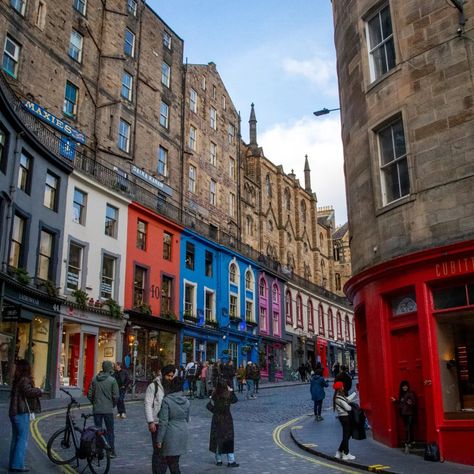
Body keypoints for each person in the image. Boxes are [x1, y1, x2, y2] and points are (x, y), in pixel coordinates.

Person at [9, 359, 42, 472]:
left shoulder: (17, 379)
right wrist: (39, 391)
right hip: (21, 412)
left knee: (15, 439)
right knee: (22, 439)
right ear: (27, 368)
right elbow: (28, 392)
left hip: (14, 413)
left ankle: (13, 463)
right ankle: (18, 465)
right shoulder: (25, 380)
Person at [155, 375, 190, 474]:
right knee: (175, 461)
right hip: (183, 432)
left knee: (170, 463)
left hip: (171, 433)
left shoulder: (167, 401)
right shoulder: (186, 401)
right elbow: (187, 418)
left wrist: (159, 439)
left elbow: (163, 422)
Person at [145, 365, 176, 474]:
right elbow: (148, 404)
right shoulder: (153, 386)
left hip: (169, 423)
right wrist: (150, 421)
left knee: (168, 450)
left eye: (172, 376)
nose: (170, 378)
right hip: (157, 422)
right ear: (163, 375)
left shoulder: (172, 386)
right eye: (168, 376)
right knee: (158, 451)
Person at [87, 360, 119, 458]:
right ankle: (111, 452)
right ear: (110, 368)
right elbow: (116, 396)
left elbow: (89, 394)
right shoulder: (112, 380)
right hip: (108, 410)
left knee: (97, 431)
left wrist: (94, 403)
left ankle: (99, 451)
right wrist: (112, 405)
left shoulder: (94, 379)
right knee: (110, 431)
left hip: (97, 409)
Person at [209, 378, 239, 467]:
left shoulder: (215, 394)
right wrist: (231, 391)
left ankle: (218, 460)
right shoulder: (228, 394)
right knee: (228, 439)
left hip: (216, 418)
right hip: (226, 419)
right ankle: (231, 461)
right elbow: (235, 400)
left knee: (217, 438)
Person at [333, 380, 357, 461]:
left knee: (347, 435)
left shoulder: (338, 396)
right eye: (342, 386)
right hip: (345, 417)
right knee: (346, 435)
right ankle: (346, 454)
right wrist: (351, 407)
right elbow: (347, 407)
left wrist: (355, 392)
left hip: (343, 417)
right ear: (340, 388)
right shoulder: (338, 398)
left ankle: (339, 452)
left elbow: (347, 399)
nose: (343, 387)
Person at [391, 380, 417, 451]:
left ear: (408, 387)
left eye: (406, 386)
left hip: (409, 413)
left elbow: (414, 403)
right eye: (403, 386)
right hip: (404, 413)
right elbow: (402, 403)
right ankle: (411, 441)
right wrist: (395, 401)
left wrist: (410, 403)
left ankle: (407, 443)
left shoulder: (410, 394)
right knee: (409, 428)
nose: (404, 387)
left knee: (408, 428)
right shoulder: (402, 394)